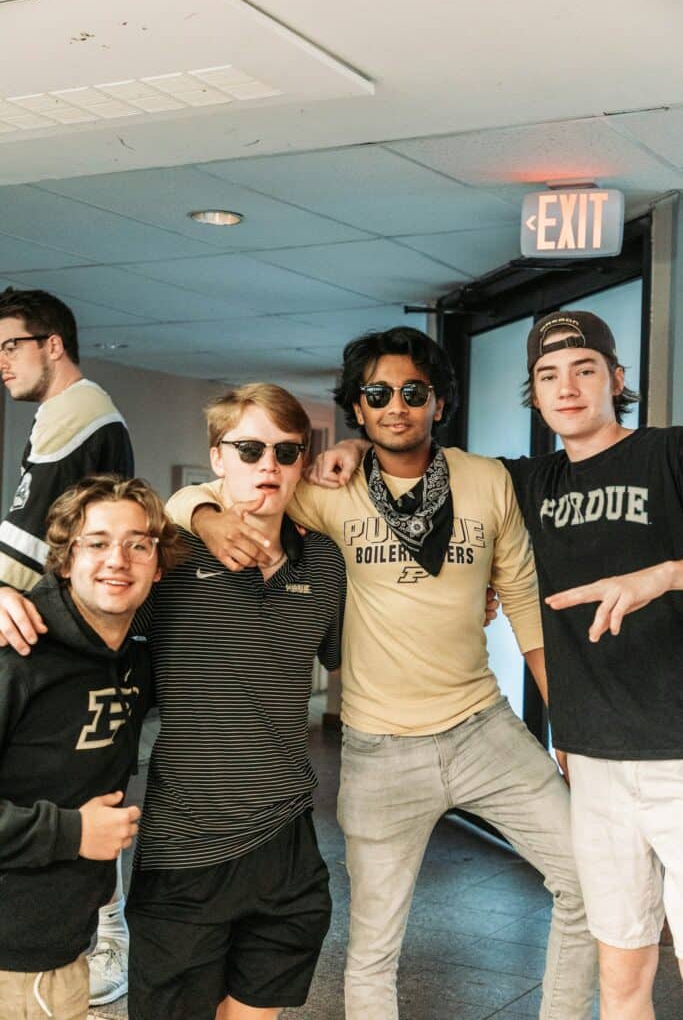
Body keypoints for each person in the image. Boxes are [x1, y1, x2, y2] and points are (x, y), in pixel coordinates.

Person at [166, 328, 598, 1020]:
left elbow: (521, 603)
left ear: (437, 403)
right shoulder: (322, 489)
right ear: (357, 409)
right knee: (371, 948)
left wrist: (567, 724)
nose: (395, 405)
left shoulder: (484, 480)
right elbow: (210, 496)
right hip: (376, 750)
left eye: (412, 392)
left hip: (481, 728)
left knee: (587, 880)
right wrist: (208, 514)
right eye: (376, 394)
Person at [0, 384, 346, 1019]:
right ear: (217, 458)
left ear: (303, 461)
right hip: (184, 849)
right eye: (248, 448)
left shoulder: (323, 563)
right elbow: (91, 587)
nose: (267, 464)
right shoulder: (170, 567)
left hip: (287, 840)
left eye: (286, 450)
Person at [504, 310, 682, 1020]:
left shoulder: (668, 455)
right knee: (619, 976)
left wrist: (662, 575)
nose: (566, 388)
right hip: (594, 760)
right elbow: (415, 473)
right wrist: (349, 447)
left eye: (583, 370)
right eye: (548, 375)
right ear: (535, 394)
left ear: (615, 378)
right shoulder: (530, 483)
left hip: (679, 754)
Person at [0, 475, 183, 1020]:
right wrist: (74, 832)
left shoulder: (133, 657)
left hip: (64, 948)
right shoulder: (16, 653)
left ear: (157, 563)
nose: (117, 560)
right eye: (96, 542)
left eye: (137, 544)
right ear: (63, 560)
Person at [0, 286, 135, 1007]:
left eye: (10, 345)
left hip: (63, 638)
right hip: (66, 639)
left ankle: (103, 930)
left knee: (87, 786)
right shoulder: (73, 413)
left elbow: (24, 540)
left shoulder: (76, 410)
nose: (0, 363)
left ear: (52, 344)